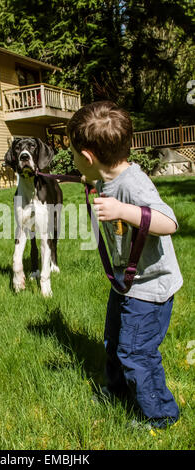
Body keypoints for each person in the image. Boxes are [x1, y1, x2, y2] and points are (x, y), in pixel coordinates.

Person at [67, 101, 183, 429]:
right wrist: (94, 187)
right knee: (115, 341)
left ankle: (161, 416)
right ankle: (116, 391)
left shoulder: (133, 184)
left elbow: (168, 222)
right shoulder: (107, 178)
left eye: (75, 156)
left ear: (88, 157)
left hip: (149, 288)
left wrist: (124, 210)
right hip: (126, 283)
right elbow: (104, 186)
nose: (74, 163)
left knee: (136, 353)